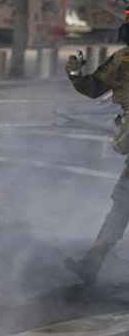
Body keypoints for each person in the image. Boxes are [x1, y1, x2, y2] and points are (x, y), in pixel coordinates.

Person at [63, 30, 129, 285]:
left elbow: (92, 88)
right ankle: (92, 263)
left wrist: (74, 72)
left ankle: (92, 263)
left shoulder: (123, 60)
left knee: (122, 206)